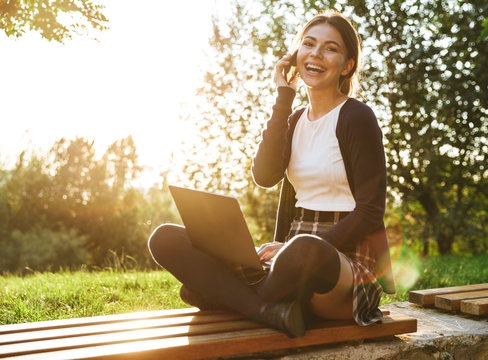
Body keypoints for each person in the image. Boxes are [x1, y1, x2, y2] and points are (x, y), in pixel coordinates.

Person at [147, 10, 395, 339]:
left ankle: (225, 296)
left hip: (339, 264)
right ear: (296, 56)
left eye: (330, 48)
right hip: (285, 260)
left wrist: (296, 248)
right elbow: (264, 175)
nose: (316, 53)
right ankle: (265, 308)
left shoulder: (357, 117)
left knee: (303, 249)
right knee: (164, 237)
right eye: (309, 44)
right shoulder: (294, 120)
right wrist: (283, 97)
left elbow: (370, 211)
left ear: (347, 65)